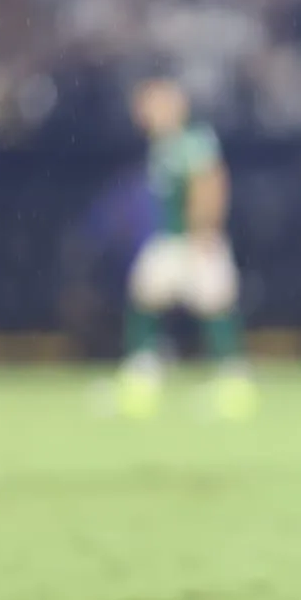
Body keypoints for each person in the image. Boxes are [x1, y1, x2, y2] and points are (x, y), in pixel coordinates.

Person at [118, 77, 256, 420]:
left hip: (191, 238)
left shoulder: (192, 141)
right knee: (145, 297)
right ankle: (143, 377)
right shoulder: (163, 144)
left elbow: (210, 183)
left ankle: (233, 385)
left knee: (216, 306)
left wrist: (204, 230)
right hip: (169, 239)